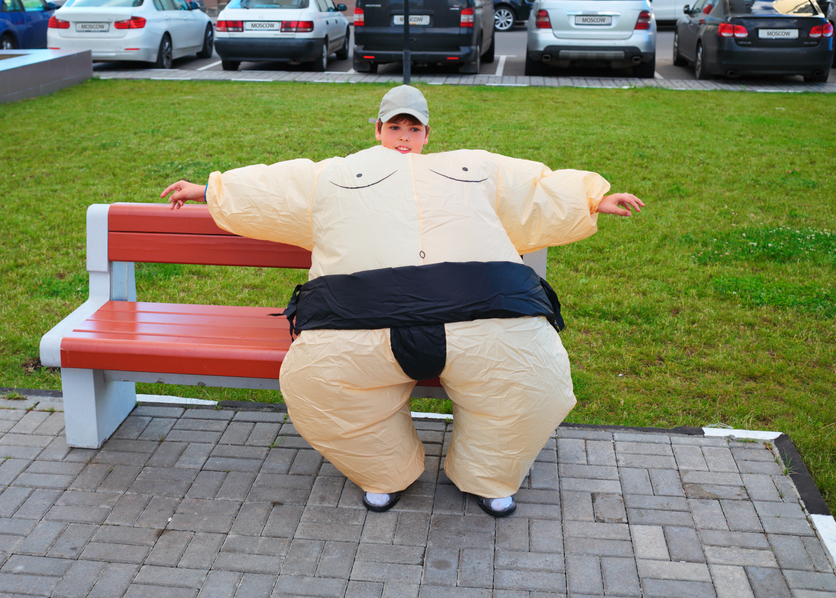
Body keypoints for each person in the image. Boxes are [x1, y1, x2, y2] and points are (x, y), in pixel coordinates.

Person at [161, 86, 644, 517]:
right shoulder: (336, 174)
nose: (404, 137)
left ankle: (490, 476)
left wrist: (591, 198)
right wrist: (208, 191)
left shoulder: (473, 168)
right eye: (395, 127)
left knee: (532, 380)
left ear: (428, 134)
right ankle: (384, 472)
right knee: (320, 385)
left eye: (414, 128)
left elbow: (531, 190)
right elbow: (274, 191)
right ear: (377, 130)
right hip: (359, 324)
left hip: (481, 319)